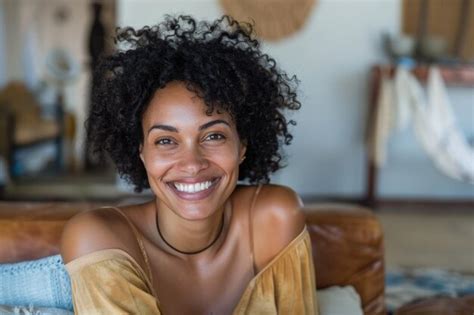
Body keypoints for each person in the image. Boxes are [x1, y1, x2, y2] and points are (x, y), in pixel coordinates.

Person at [60, 15, 318, 315]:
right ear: (141, 152)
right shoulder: (98, 238)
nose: (192, 164)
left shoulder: (275, 216)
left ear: (242, 146)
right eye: (166, 141)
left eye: (213, 135)